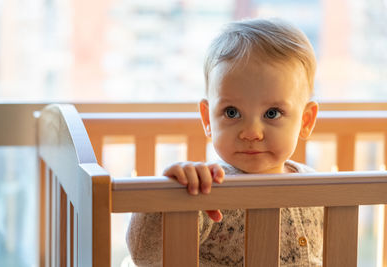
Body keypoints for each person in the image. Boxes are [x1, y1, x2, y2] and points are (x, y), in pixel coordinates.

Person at [126, 18, 323, 266]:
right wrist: (167, 196)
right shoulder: (205, 189)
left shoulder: (319, 189)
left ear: (306, 120)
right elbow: (147, 254)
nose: (251, 133)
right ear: (208, 118)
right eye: (232, 112)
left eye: (272, 113)